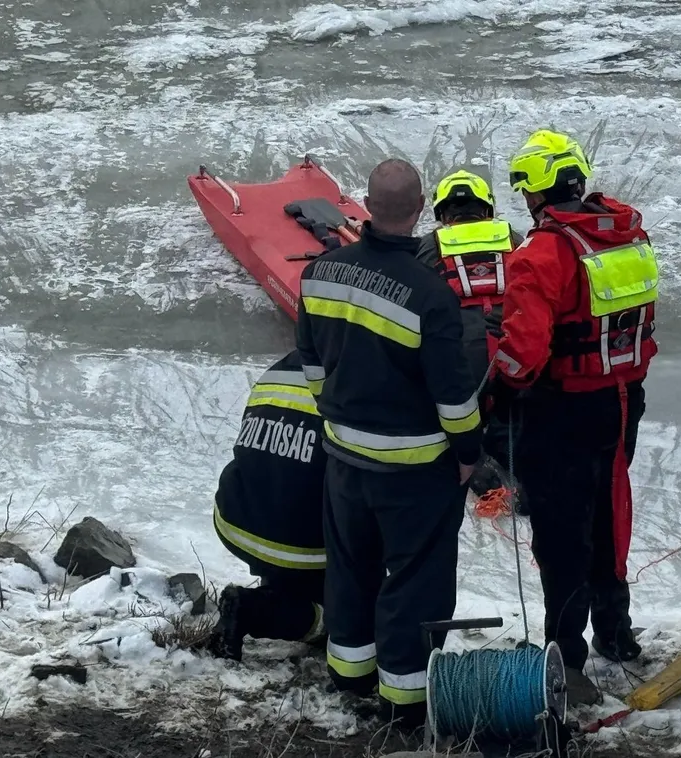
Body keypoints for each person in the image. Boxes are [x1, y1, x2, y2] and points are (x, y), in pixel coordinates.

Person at [296, 158, 484, 726]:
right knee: (414, 579)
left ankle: (349, 673)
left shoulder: (320, 272)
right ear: (421, 208)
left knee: (350, 567)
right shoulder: (430, 296)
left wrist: (340, 412)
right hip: (415, 468)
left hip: (343, 455)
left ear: (366, 205)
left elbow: (311, 364)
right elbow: (454, 398)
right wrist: (470, 455)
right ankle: (405, 701)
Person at [491, 129, 659, 691]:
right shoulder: (626, 235)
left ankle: (565, 656)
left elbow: (525, 352)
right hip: (621, 403)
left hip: (563, 409)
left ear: (536, 189)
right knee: (610, 515)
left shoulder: (541, 254)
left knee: (562, 534)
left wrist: (497, 391)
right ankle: (617, 631)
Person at [209, 350, 328, 661]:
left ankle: (273, 588)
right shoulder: (360, 377)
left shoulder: (283, 366)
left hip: (238, 516)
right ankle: (254, 609)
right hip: (297, 540)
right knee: (340, 619)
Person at [416, 169, 525, 505]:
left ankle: (475, 462)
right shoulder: (514, 238)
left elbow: (414, 299)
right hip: (511, 351)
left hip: (462, 356)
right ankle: (519, 467)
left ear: (443, 213)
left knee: (453, 411)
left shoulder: (431, 246)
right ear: (486, 209)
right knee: (514, 413)